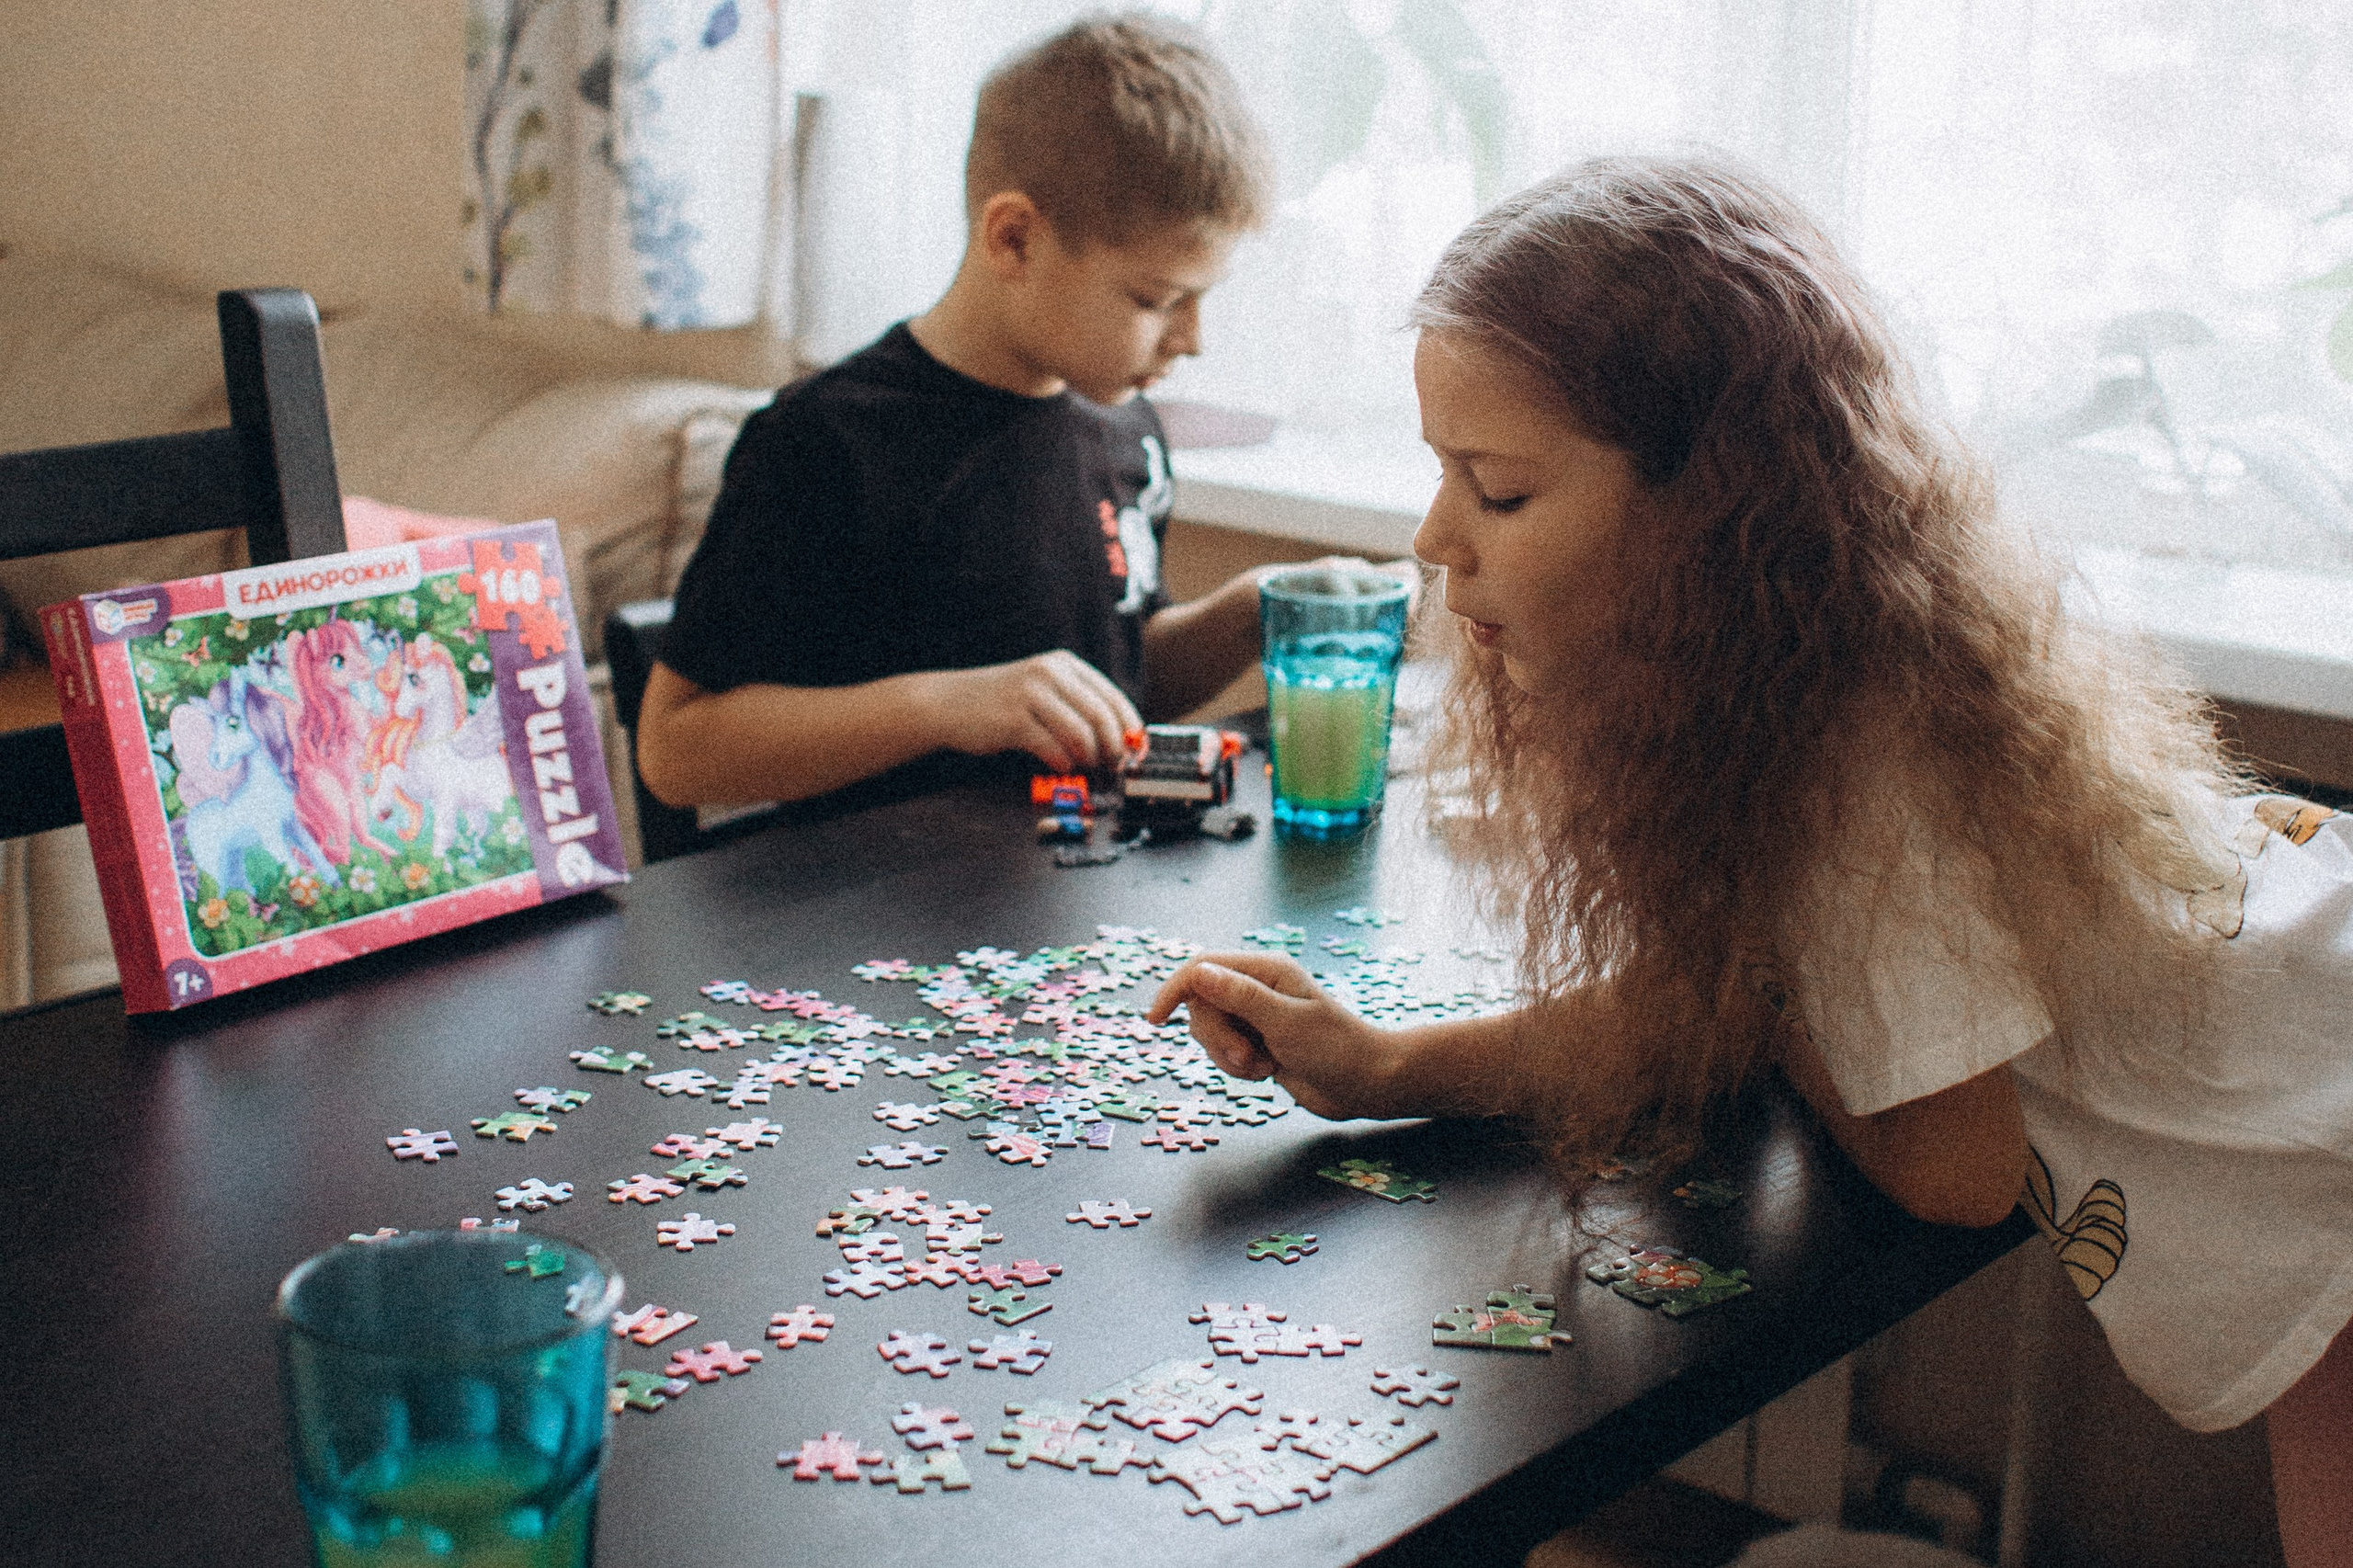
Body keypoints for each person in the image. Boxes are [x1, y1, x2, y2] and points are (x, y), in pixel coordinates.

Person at [1146, 157, 2353, 1565]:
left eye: (1498, 490)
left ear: (1708, 516)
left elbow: (1952, 1167)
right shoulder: (1822, 681)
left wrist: (1780, 1019)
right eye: (1437, 473)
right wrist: (1396, 1067)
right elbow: (1710, 1004)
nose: (1433, 537)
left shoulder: (1861, 770)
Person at [638, 14, 1389, 814]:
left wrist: (1248, 613)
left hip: (1073, 905)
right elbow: (677, 752)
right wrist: (946, 707)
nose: (1193, 340)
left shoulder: (1125, 429)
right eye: (1156, 299)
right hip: (875, 916)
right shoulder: (827, 441)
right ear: (1015, 239)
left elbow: (1112, 688)